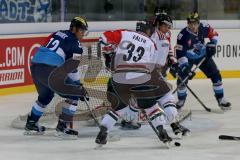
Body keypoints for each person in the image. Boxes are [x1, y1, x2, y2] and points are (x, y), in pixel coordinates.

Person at [95, 20, 189, 146]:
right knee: (152, 106)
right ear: (149, 31)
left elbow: (104, 38)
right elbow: (152, 67)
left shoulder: (125, 33)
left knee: (118, 109)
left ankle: (103, 131)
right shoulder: (152, 43)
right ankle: (164, 131)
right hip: (140, 78)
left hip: (118, 79)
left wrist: (108, 55)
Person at [25, 16, 89, 137]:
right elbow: (72, 67)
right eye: (82, 30)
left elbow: (48, 47)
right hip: (50, 70)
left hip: (35, 67)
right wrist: (77, 86)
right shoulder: (76, 44)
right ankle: (62, 127)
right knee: (75, 93)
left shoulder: (57, 33)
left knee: (46, 96)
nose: (83, 34)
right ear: (74, 29)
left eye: (84, 31)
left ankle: (31, 123)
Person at [175, 12, 231, 110]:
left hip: (203, 56)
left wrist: (212, 44)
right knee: (181, 79)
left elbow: (214, 35)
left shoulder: (204, 27)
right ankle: (181, 100)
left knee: (215, 75)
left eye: (195, 23)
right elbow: (180, 53)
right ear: (187, 23)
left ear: (198, 22)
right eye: (190, 23)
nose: (192, 26)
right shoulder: (182, 35)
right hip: (187, 59)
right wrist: (184, 66)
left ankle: (221, 99)